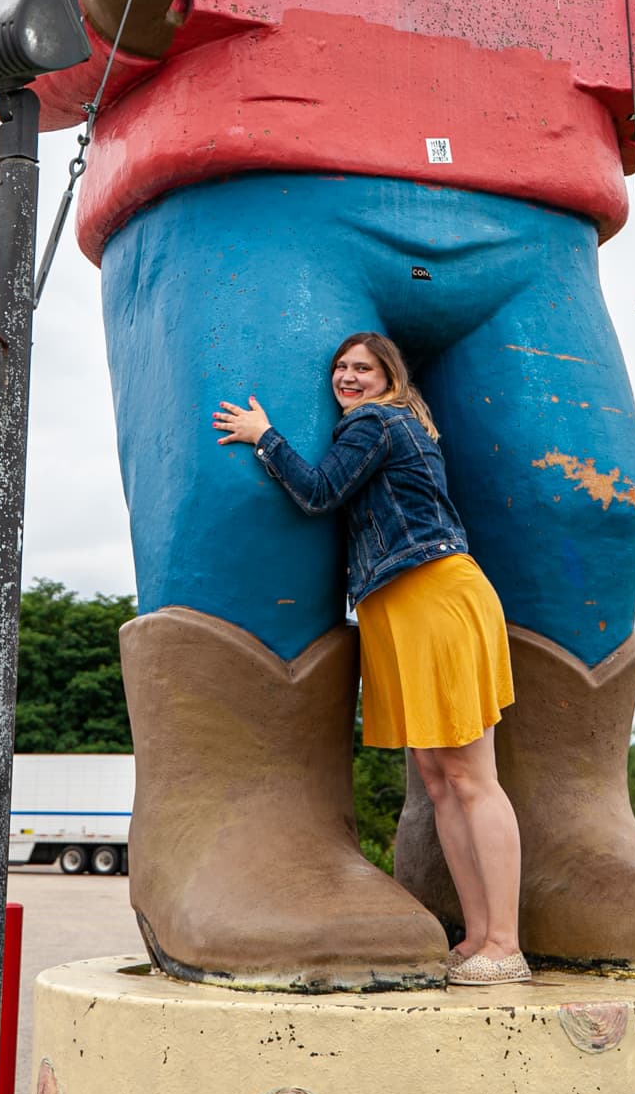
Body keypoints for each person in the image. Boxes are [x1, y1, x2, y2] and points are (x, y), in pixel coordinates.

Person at [214, 331, 529, 986]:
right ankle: (477, 937)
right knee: (440, 781)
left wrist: (263, 435)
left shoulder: (377, 423)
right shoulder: (387, 425)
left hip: (434, 595)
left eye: (363, 367)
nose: (348, 377)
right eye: (340, 368)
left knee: (471, 776)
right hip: (400, 605)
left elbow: (319, 492)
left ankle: (507, 941)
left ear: (389, 377)